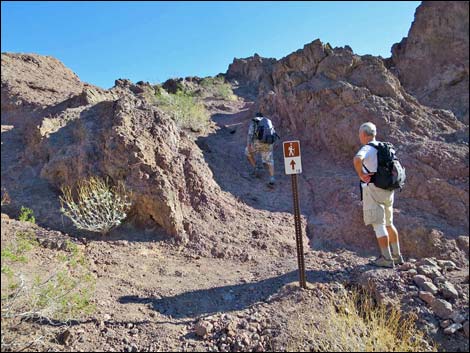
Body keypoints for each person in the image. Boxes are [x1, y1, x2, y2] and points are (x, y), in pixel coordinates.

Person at [353, 122, 404, 268]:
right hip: (388, 189)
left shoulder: (368, 148)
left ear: (363, 135)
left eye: (359, 135)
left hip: (373, 189)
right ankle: (397, 255)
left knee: (378, 225)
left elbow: (357, 159)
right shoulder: (386, 147)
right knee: (389, 223)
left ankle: (386, 259)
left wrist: (361, 174)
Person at [245, 112, 278, 186]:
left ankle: (256, 168)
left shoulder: (254, 121)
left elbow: (250, 135)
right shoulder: (268, 121)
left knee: (247, 152)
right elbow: (273, 133)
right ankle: (272, 178)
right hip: (268, 143)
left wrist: (249, 145)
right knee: (269, 160)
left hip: (257, 143)